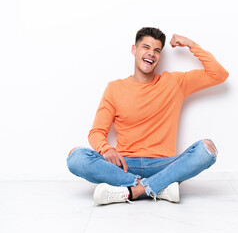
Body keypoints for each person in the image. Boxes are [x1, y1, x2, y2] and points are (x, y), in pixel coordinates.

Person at [67, 27, 229, 205]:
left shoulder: (174, 82)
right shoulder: (115, 88)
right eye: (146, 47)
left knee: (207, 150)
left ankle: (133, 191)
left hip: (163, 165)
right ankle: (156, 188)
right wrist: (107, 149)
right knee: (76, 158)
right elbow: (96, 132)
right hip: (124, 165)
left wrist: (191, 44)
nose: (151, 53)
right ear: (134, 50)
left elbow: (219, 75)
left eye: (157, 50)